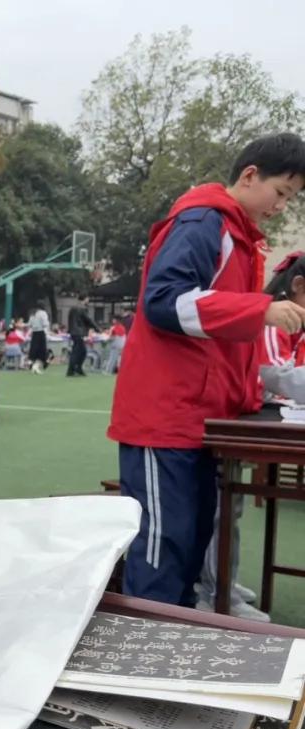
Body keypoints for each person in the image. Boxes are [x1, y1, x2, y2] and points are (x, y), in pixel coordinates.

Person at [108, 132, 305, 614]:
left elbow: (222, 345)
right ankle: (137, 667)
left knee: (193, 543)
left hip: (203, 419)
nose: (282, 206)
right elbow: (162, 302)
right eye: (281, 193)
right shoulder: (204, 221)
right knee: (162, 548)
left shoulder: (239, 237)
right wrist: (258, 310)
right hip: (165, 418)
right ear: (250, 175)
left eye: (292, 199)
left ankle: (168, 660)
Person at [193, 252, 305, 615]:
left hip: (238, 412)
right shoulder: (276, 322)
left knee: (229, 504)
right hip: (226, 416)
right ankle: (217, 591)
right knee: (223, 505)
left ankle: (221, 582)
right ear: (298, 287)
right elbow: (277, 376)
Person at [66, 296, 98, 376]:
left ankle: (76, 368)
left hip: (73, 332)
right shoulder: (82, 308)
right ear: (85, 299)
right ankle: (73, 369)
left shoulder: (72, 308)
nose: (88, 300)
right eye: (88, 299)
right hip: (79, 332)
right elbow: (88, 319)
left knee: (80, 351)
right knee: (79, 351)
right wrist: (97, 328)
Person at [28, 302, 49, 374]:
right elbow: (45, 324)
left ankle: (31, 363)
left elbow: (29, 324)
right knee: (42, 351)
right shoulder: (43, 313)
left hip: (34, 333)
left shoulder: (33, 314)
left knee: (34, 350)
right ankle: (36, 367)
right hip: (41, 333)